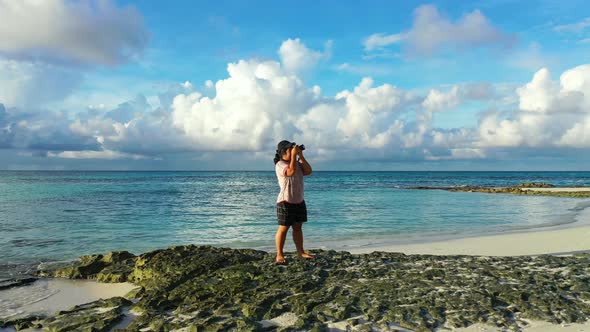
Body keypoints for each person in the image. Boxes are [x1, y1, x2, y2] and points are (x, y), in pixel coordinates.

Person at [273, 140, 314, 264]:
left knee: (297, 228)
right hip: (285, 201)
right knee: (283, 229)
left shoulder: (296, 163)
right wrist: (294, 158)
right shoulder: (280, 164)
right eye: (291, 149)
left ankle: (301, 252)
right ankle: (279, 254)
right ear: (284, 152)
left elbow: (308, 171)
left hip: (299, 200)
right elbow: (290, 172)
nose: (293, 151)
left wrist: (300, 156)